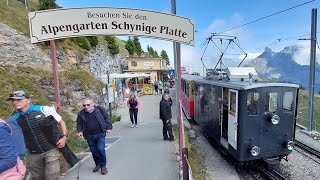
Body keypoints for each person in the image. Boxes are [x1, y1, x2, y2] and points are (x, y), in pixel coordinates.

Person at [7, 90, 67, 180]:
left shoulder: (44, 109)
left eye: (18, 99)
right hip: (32, 153)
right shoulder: (13, 120)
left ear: (28, 100)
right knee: (38, 178)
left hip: (51, 149)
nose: (15, 102)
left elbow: (61, 122)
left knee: (52, 176)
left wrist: (64, 137)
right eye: (13, 100)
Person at [76, 98, 112, 175]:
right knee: (94, 151)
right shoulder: (81, 113)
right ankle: (98, 164)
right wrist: (79, 131)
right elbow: (79, 124)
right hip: (89, 135)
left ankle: (103, 166)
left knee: (100, 149)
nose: (86, 106)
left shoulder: (99, 109)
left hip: (100, 133)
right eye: (84, 105)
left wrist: (109, 127)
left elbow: (107, 118)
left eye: (88, 105)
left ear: (92, 104)